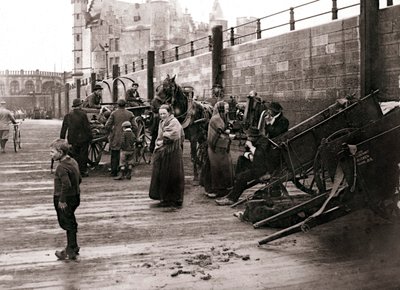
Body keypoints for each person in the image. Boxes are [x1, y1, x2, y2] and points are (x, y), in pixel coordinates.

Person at [215, 127, 271, 206]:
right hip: (255, 164)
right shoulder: (254, 140)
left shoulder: (263, 142)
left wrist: (251, 147)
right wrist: (249, 154)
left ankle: (232, 198)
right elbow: (247, 153)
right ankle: (237, 182)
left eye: (249, 136)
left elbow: (259, 156)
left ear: (254, 137)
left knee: (243, 176)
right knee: (241, 159)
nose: (248, 138)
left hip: (262, 169)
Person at [50, 139, 81, 260]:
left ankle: (69, 251)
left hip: (64, 198)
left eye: (52, 152)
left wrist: (62, 200)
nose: (50, 155)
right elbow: (79, 179)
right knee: (71, 221)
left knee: (67, 223)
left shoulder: (61, 168)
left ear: (60, 152)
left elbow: (66, 184)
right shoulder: (73, 162)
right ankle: (74, 246)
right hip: (75, 196)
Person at [149, 104, 185, 207]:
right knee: (164, 174)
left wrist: (163, 142)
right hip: (165, 152)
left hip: (172, 152)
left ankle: (174, 198)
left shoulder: (174, 122)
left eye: (164, 113)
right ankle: (164, 197)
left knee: (173, 174)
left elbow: (174, 134)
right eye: (160, 114)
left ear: (169, 113)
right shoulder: (162, 122)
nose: (162, 115)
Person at [204, 101, 233, 197]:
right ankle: (215, 190)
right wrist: (228, 134)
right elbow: (219, 132)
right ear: (221, 109)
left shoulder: (223, 116)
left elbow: (225, 128)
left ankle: (223, 188)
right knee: (216, 168)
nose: (227, 110)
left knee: (223, 167)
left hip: (222, 147)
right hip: (216, 147)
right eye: (226, 108)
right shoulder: (216, 119)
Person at [105, 99, 138, 177]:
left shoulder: (114, 113)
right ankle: (126, 171)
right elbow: (135, 127)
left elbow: (107, 125)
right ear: (125, 105)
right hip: (127, 139)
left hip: (116, 138)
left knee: (115, 154)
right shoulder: (130, 114)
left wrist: (111, 131)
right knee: (127, 155)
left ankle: (114, 172)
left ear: (117, 105)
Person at [60, 98, 92, 177]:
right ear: (80, 105)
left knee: (74, 155)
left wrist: (62, 138)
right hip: (83, 138)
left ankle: (75, 170)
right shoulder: (83, 114)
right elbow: (87, 127)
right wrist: (90, 137)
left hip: (72, 139)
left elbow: (64, 128)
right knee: (83, 155)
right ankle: (83, 171)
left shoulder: (68, 115)